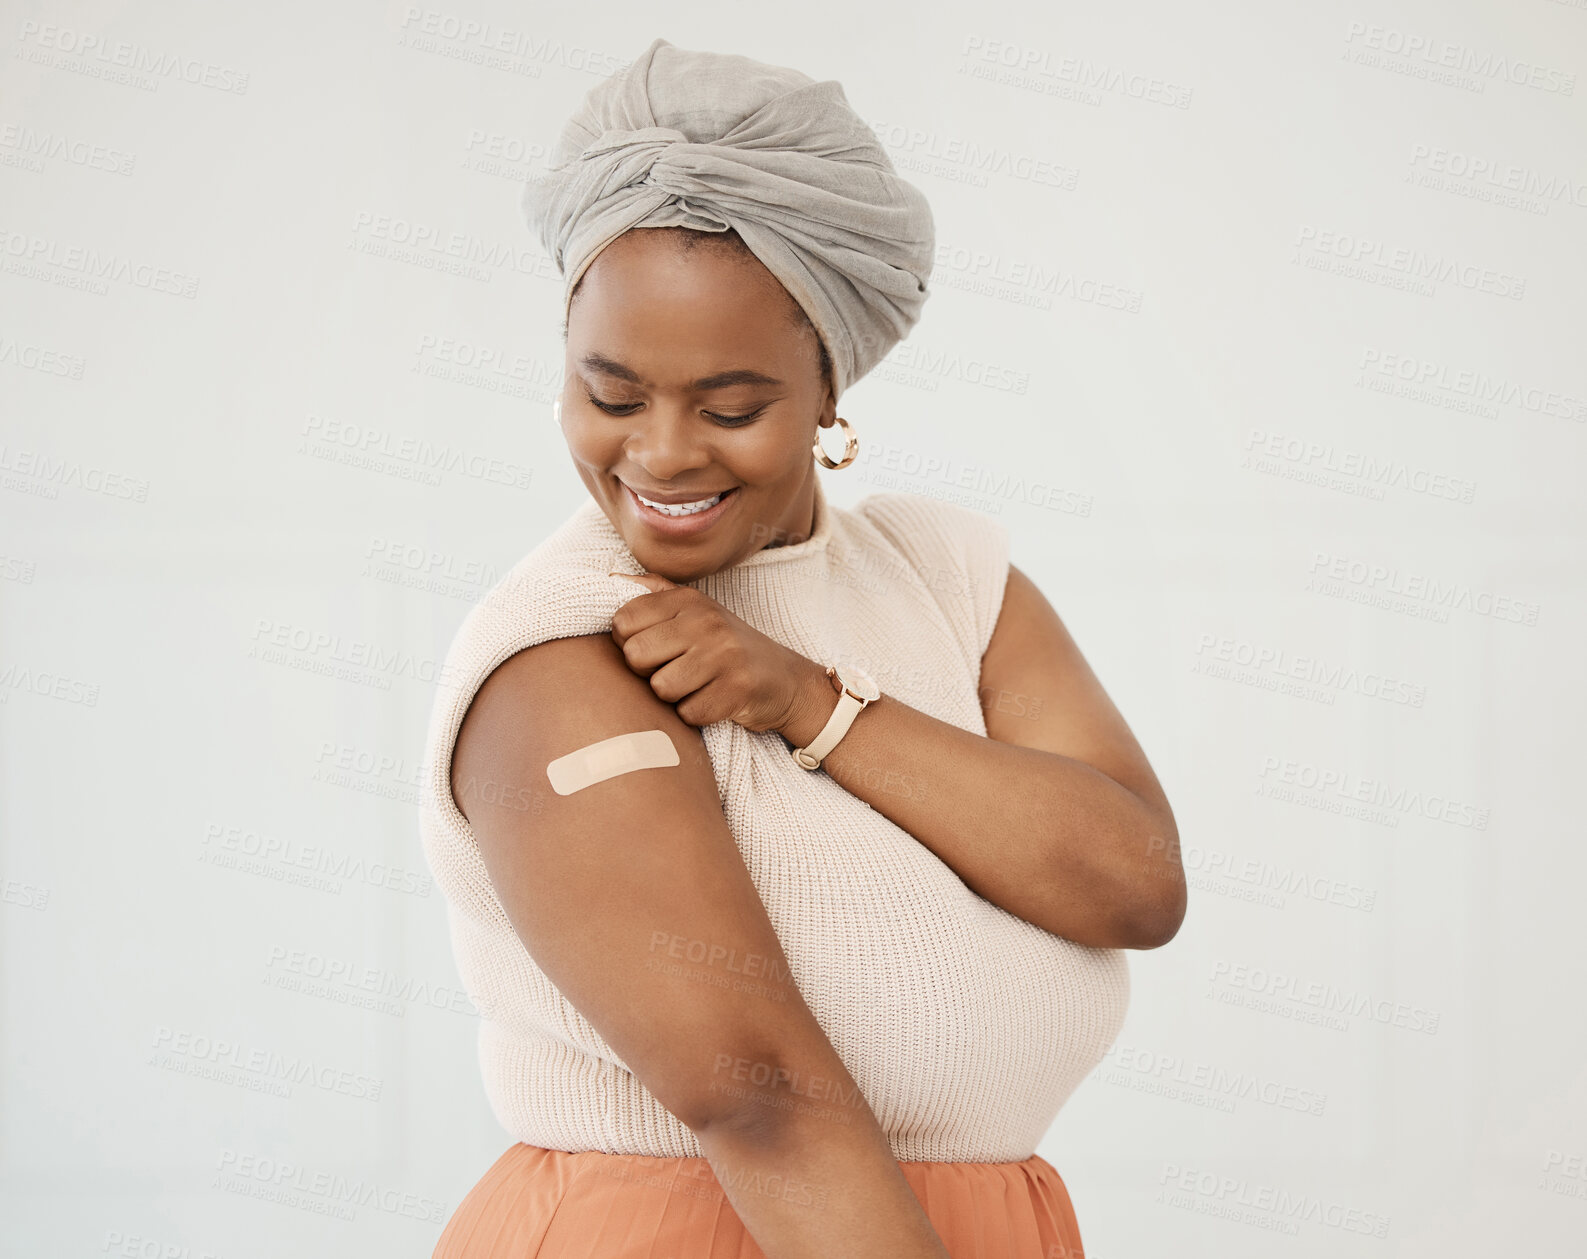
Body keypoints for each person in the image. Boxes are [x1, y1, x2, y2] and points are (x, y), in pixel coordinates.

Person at [419, 36, 1185, 1259]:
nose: (661, 455)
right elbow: (755, 1089)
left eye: (731, 407)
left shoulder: (948, 580)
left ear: (830, 392)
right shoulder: (562, 654)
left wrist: (812, 703)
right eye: (611, 395)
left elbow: (1133, 881)